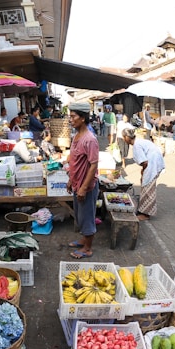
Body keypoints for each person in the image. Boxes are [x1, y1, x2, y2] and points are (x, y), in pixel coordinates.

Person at [66, 103, 99, 259]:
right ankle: (84, 240)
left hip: (86, 186)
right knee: (80, 215)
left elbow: (93, 165)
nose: (70, 119)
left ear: (83, 117)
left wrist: (83, 188)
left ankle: (87, 248)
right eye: (70, 116)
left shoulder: (90, 139)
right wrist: (71, 181)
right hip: (77, 183)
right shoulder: (77, 136)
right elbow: (75, 162)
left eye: (73, 116)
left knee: (87, 217)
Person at [122, 128, 166, 221]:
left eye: (124, 137)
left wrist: (143, 174)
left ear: (127, 137)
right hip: (155, 162)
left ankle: (146, 214)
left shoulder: (137, 146)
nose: (123, 139)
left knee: (147, 188)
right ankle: (143, 210)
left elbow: (144, 162)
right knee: (147, 186)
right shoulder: (140, 141)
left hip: (152, 164)